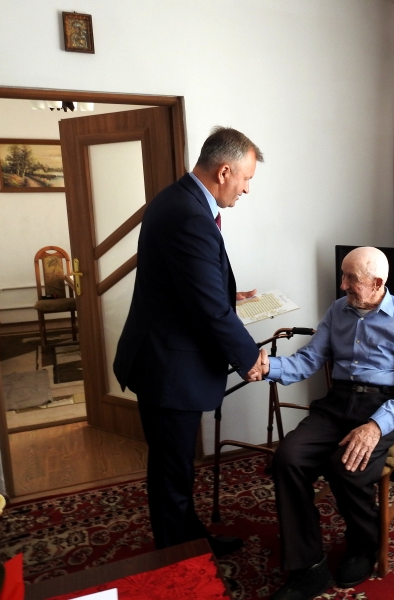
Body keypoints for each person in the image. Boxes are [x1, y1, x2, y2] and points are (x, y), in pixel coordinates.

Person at [113, 126, 268, 556]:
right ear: (224, 171)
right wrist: (248, 357)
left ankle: (191, 540)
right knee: (171, 473)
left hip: (164, 358)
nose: (247, 189)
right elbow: (209, 311)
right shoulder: (189, 215)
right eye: (246, 179)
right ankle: (176, 561)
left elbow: (189, 285)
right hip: (168, 368)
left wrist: (226, 295)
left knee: (176, 467)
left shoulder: (179, 198)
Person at [259, 246, 394, 600]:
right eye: (343, 276)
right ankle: (309, 564)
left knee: (346, 469)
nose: (343, 285)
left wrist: (375, 426)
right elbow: (309, 359)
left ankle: (363, 546)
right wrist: (268, 367)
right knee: (287, 459)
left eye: (351, 278)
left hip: (386, 407)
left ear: (377, 283)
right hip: (338, 402)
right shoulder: (338, 310)